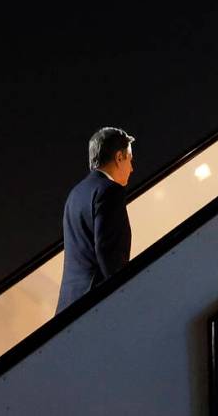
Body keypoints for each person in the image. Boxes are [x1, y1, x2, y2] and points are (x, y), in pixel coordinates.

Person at [56, 127, 135, 313]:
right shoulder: (110, 191)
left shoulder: (76, 194)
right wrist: (125, 295)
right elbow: (109, 253)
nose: (132, 168)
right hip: (95, 304)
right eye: (130, 160)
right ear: (119, 158)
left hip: (69, 302)